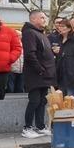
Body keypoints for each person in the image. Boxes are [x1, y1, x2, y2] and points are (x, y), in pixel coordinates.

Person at [21, 10, 56, 138]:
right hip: (35, 74)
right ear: (33, 19)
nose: (44, 20)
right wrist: (40, 69)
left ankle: (40, 126)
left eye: (45, 17)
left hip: (44, 74)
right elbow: (30, 54)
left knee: (42, 101)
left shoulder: (41, 33)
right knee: (34, 101)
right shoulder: (29, 33)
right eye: (41, 17)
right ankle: (27, 128)